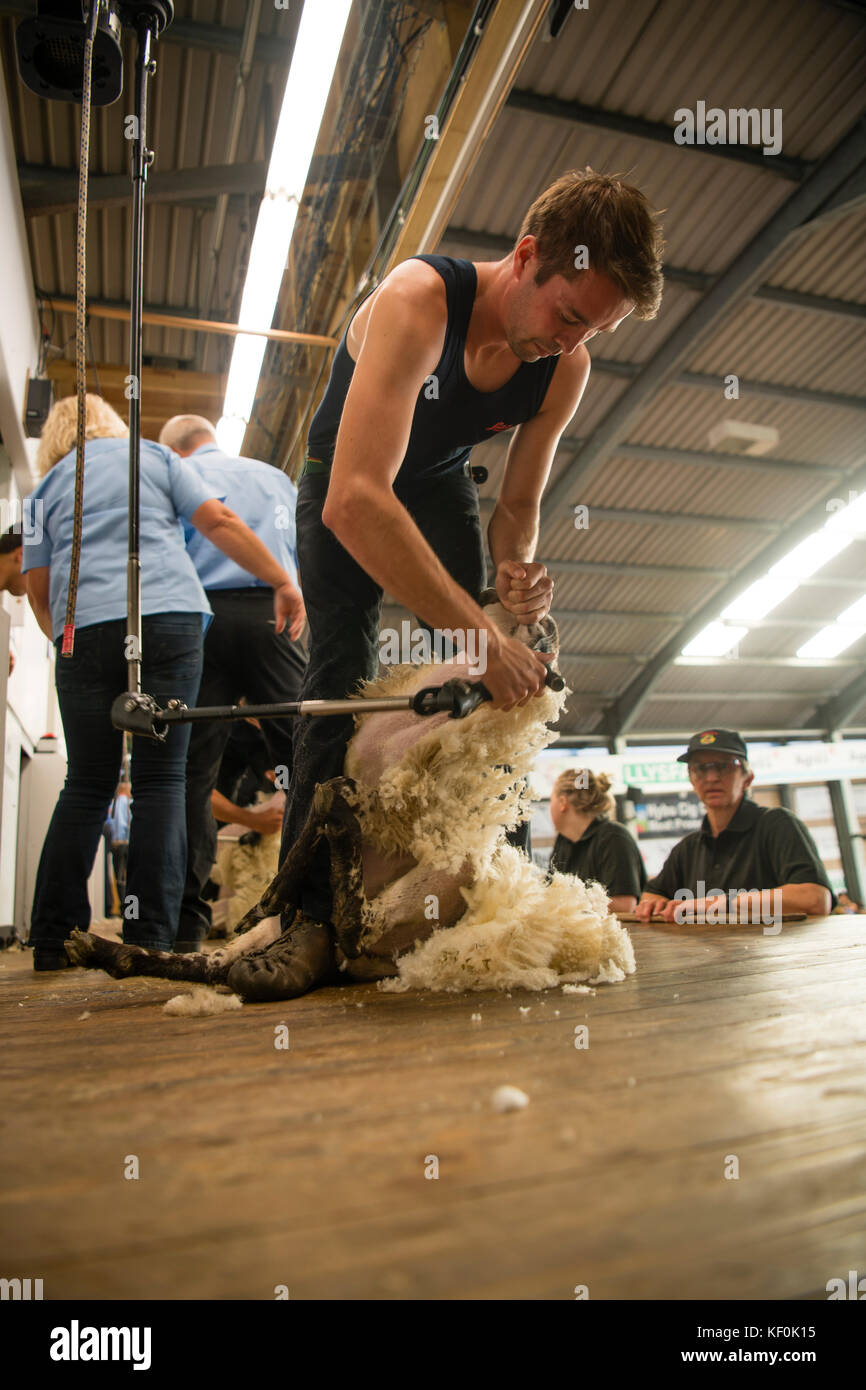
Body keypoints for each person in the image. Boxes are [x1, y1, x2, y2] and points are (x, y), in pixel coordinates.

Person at [231, 166, 665, 1001]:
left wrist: (514, 579)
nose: (570, 343)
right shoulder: (418, 300)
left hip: (434, 480)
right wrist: (479, 634)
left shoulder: (562, 366)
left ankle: (493, 881)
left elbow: (519, 506)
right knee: (342, 675)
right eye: (569, 316)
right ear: (528, 255)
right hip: (342, 478)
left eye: (593, 333)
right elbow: (359, 501)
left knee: (491, 680)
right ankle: (310, 921)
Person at [21, 393, 303, 970]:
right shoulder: (151, 456)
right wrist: (280, 579)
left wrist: (64, 642)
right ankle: (151, 934)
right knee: (162, 782)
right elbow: (218, 521)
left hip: (84, 628)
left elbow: (36, 582)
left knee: (87, 783)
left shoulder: (43, 490)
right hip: (170, 621)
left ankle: (52, 937)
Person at [158, 414, 307, 950]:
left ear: (175, 451)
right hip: (274, 613)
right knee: (303, 753)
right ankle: (314, 906)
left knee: (190, 775)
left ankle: (184, 925)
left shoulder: (174, 475)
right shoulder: (274, 477)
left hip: (199, 619)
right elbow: (301, 547)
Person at [636, 730, 834, 923]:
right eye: (700, 768)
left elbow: (815, 899)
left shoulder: (776, 824)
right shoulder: (688, 848)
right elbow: (652, 895)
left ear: (747, 778)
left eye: (724, 766)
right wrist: (654, 906)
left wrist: (718, 903)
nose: (712, 777)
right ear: (691, 779)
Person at [548, 768, 646, 913]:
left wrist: (565, 906)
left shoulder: (614, 838)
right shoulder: (563, 841)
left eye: (551, 800)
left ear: (562, 802)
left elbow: (625, 905)